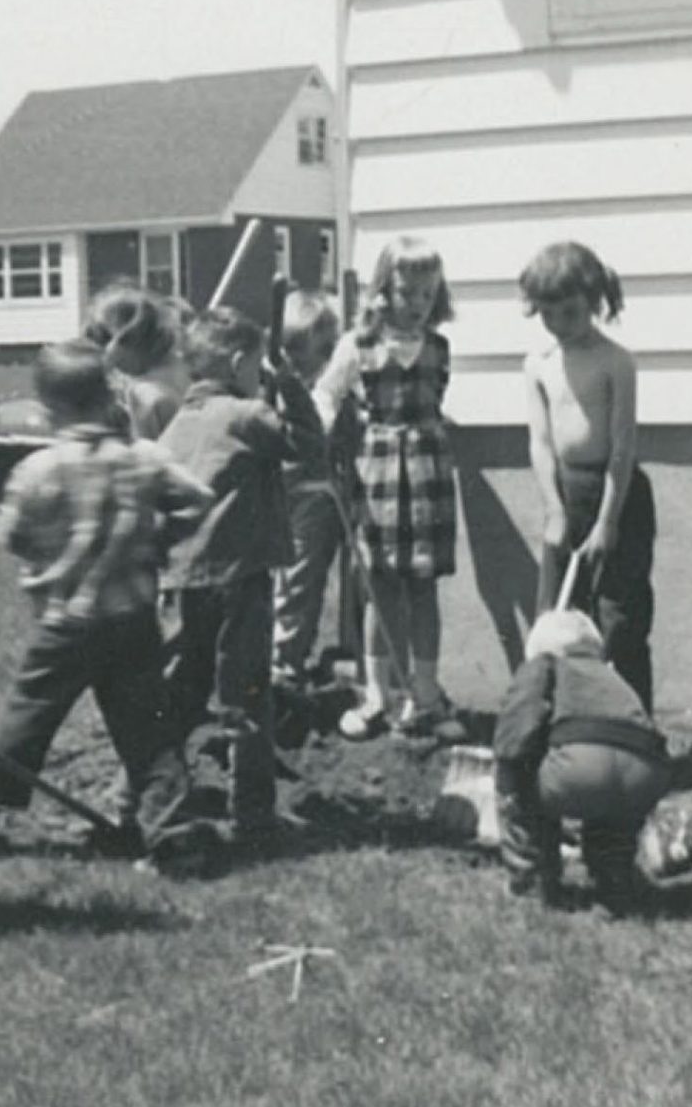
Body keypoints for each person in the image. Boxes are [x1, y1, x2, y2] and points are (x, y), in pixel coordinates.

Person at [0, 341, 217, 867]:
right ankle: (170, 833)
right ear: (108, 397)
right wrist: (160, 537)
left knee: (27, 719)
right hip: (132, 618)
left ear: (48, 408)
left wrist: (47, 556)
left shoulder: (38, 471)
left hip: (66, 620)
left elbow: (13, 535)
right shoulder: (142, 459)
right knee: (148, 728)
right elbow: (200, 499)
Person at [156, 307, 324, 832]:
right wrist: (289, 387)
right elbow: (309, 447)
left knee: (179, 695)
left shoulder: (175, 427)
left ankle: (153, 801)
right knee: (247, 694)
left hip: (180, 581)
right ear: (236, 364)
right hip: (240, 580)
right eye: (255, 367)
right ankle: (253, 812)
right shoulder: (244, 415)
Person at [315, 236, 465, 741]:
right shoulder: (356, 347)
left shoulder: (440, 348)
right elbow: (326, 393)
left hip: (427, 475)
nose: (418, 304)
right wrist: (322, 422)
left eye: (427, 294)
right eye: (407, 293)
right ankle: (378, 694)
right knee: (380, 589)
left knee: (423, 589)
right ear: (383, 291)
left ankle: (425, 696)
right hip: (377, 472)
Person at [521, 240, 657, 711]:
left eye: (571, 312)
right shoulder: (538, 365)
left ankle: (633, 722)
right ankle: (559, 721)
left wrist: (607, 522)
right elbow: (540, 442)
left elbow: (622, 443)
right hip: (565, 494)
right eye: (548, 314)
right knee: (557, 617)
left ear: (595, 301)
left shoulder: (616, 362)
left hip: (616, 497)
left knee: (620, 619)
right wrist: (553, 509)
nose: (560, 325)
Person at [492, 608, 671, 913]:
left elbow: (517, 725)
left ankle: (531, 880)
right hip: (645, 771)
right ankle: (614, 884)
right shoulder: (611, 675)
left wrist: (510, 770)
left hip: (581, 769)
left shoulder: (545, 664)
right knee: (614, 816)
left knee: (514, 772)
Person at [268, 288, 351, 698]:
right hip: (276, 490)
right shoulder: (276, 383)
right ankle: (273, 657)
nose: (294, 357)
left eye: (305, 347)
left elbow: (322, 427)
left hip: (315, 494)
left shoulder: (327, 388)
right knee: (274, 579)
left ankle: (286, 663)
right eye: (288, 347)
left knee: (300, 580)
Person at [84, 282, 190, 441]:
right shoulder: (185, 367)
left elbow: (146, 456)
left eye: (103, 338)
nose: (99, 349)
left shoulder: (144, 394)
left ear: (129, 337)